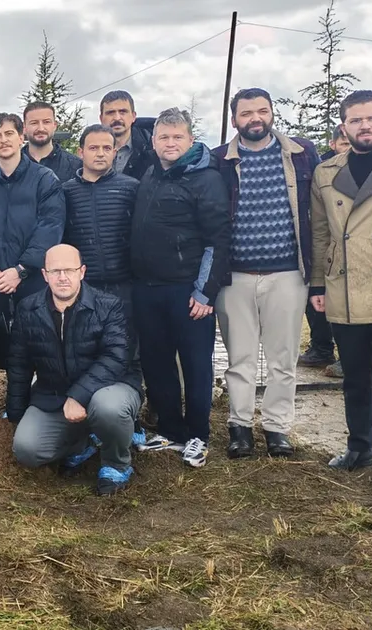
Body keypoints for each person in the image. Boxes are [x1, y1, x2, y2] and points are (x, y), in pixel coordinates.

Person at [211, 88, 320, 459]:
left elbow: (318, 213)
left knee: (283, 357)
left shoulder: (302, 154)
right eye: (247, 113)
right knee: (239, 357)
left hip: (288, 272)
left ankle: (277, 427)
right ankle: (239, 427)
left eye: (262, 111)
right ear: (234, 120)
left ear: (272, 113)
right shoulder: (219, 160)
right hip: (235, 276)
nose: (255, 118)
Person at [310, 90, 372, 492]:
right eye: (356, 120)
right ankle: (359, 447)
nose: (364, 125)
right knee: (353, 375)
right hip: (344, 287)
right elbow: (319, 233)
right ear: (344, 125)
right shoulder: (326, 171)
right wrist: (318, 282)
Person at [131, 108, 231, 468]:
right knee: (157, 363)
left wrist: (205, 292)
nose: (170, 143)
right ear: (154, 141)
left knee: (195, 366)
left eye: (177, 137)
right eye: (163, 137)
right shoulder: (151, 173)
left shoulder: (206, 179)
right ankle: (172, 432)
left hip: (187, 291)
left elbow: (217, 240)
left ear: (191, 140)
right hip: (147, 288)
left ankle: (198, 436)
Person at [9, 245, 141, 495]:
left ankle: (116, 463)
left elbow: (116, 357)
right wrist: (15, 414)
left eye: (69, 270)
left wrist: (79, 396)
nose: (63, 277)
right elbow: (19, 363)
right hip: (55, 393)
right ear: (44, 275)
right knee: (27, 449)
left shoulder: (109, 305)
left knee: (108, 408)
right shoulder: (28, 309)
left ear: (82, 272)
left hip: (111, 386)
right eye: (55, 270)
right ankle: (85, 440)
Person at [62, 123, 147, 448]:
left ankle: (130, 418)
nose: (100, 153)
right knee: (87, 352)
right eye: (93, 147)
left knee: (128, 353)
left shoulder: (131, 187)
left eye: (106, 148)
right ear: (80, 152)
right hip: (86, 289)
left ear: (115, 151)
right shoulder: (66, 191)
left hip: (124, 287)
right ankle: (89, 426)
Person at [0, 112, 65, 322]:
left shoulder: (44, 180)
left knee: (38, 347)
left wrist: (21, 270)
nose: (4, 140)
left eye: (9, 133)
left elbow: (50, 227)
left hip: (35, 281)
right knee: (1, 349)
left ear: (21, 137)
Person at [300, 126, 351, 372]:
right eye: (343, 144)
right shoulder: (320, 172)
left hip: (355, 248)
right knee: (317, 299)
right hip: (324, 246)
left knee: (348, 303)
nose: (348, 150)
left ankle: (352, 356)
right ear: (333, 145)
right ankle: (321, 348)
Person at [99, 90, 157, 180]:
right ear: (101, 118)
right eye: (111, 113)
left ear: (133, 116)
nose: (117, 118)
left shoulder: (153, 150)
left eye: (123, 112)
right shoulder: (90, 150)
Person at [22, 101, 81, 183]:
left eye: (46, 122)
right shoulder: (12, 164)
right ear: (24, 127)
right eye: (34, 123)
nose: (41, 128)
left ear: (54, 125)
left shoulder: (76, 166)